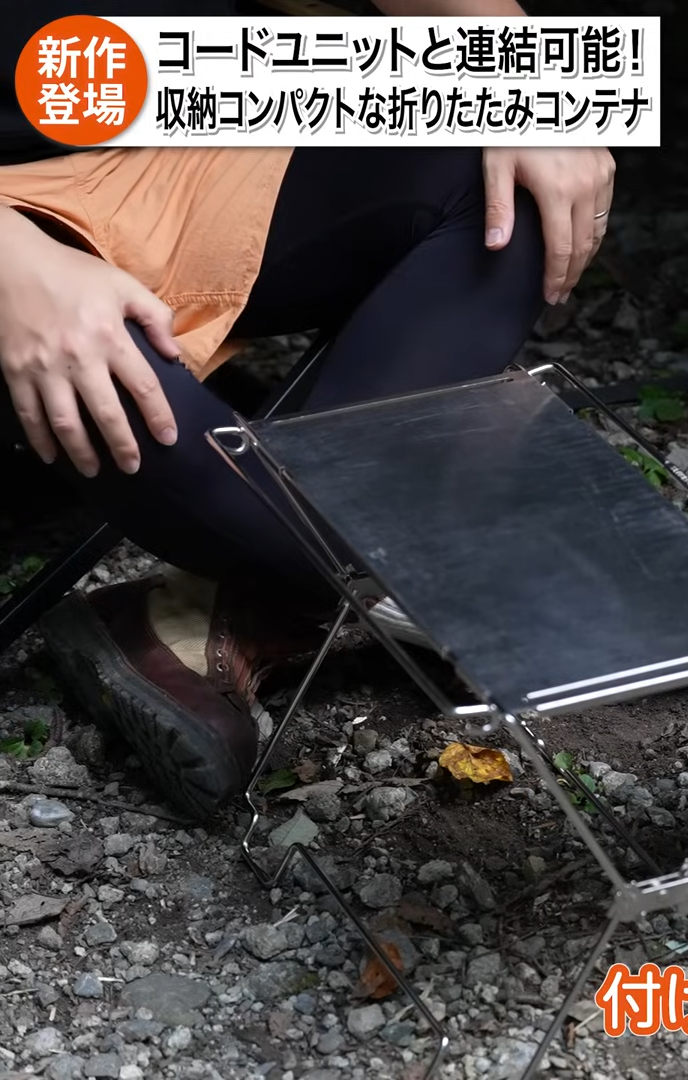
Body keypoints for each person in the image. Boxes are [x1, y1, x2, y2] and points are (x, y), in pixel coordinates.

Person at [0, 0, 616, 819]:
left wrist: (526, 76)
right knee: (106, 377)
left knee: (512, 180)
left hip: (186, 102)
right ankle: (426, 571)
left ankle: (218, 600)